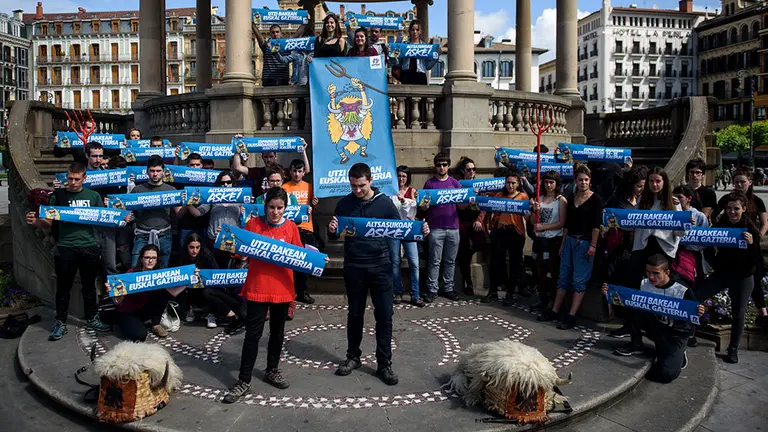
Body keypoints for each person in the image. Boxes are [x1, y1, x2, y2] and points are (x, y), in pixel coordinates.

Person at [328, 163, 429, 385]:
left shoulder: (384, 203)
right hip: (354, 267)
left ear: (370, 180)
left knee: (384, 317)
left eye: (361, 185)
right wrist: (332, 229)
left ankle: (384, 364)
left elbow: (401, 230)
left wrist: (420, 231)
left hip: (381, 267)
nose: (357, 190)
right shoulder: (344, 204)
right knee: (354, 315)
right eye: (353, 185)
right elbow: (334, 235)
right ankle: (353, 356)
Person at [223, 187, 306, 403]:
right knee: (253, 335)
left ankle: (272, 369)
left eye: (279, 208)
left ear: (285, 208)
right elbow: (240, 251)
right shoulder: (253, 224)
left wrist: (316, 260)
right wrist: (233, 246)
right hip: (258, 287)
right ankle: (244, 379)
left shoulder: (291, 228)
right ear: (265, 206)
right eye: (271, 207)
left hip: (282, 289)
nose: (275, 212)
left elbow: (301, 256)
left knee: (277, 333)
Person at [26, 162, 114, 340]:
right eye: (70, 178)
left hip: (89, 245)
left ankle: (91, 317)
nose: (72, 182)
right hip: (65, 247)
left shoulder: (93, 195)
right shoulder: (58, 196)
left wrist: (120, 216)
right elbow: (47, 223)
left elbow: (104, 219)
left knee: (89, 286)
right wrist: (36, 221)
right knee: (63, 287)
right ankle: (61, 321)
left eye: (76, 179)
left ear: (84, 178)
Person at [604, 254, 704, 383]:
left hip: (675, 334)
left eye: (656, 273)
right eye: (648, 272)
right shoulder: (643, 283)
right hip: (654, 326)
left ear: (666, 272)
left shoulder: (682, 290)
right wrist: (609, 292)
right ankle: (637, 343)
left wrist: (700, 313)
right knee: (632, 305)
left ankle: (677, 353)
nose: (651, 277)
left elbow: (700, 320)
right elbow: (623, 296)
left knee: (667, 374)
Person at [696, 192, 763, 363]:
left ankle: (733, 349)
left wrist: (751, 245)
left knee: (738, 313)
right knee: (696, 296)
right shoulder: (720, 225)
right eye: (729, 209)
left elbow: (757, 261)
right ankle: (695, 327)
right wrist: (717, 263)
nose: (732, 212)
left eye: (736, 209)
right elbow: (709, 250)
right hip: (723, 273)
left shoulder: (750, 229)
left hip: (743, 277)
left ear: (744, 209)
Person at [538, 164, 603, 330]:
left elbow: (596, 225)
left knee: (579, 280)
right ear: (575, 181)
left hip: (585, 242)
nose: (583, 183)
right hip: (569, 240)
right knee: (563, 276)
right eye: (580, 180)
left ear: (590, 181)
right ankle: (555, 309)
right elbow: (567, 224)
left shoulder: (596, 199)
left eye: (586, 180)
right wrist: (563, 243)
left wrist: (593, 245)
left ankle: (572, 315)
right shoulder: (572, 197)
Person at [711, 167, 768, 327]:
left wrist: (757, 238)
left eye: (742, 182)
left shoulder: (757, 200)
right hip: (730, 247)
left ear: (749, 182)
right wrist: (719, 233)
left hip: (749, 244)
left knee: (754, 275)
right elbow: (715, 215)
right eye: (736, 182)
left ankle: (762, 312)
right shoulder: (727, 199)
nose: (739, 185)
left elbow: (764, 222)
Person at [109, 244, 188, 341]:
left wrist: (189, 281)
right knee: (140, 336)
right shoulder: (131, 274)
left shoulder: (158, 274)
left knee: (163, 290)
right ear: (141, 259)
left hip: (144, 310)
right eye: (147, 257)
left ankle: (155, 324)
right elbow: (118, 302)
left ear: (157, 260)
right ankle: (121, 322)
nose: (150, 261)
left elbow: (173, 292)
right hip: (128, 312)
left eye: (153, 258)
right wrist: (117, 292)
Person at [603, 166, 646, 338]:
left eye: (643, 186)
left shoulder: (645, 202)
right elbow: (606, 218)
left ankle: (633, 324)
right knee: (618, 284)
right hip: (619, 249)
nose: (641, 189)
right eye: (639, 186)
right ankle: (625, 321)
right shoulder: (617, 199)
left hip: (637, 249)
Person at [476, 170, 530, 305]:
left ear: (518, 184)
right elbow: (488, 205)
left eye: (513, 183)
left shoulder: (523, 196)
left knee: (514, 263)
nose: (510, 186)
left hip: (516, 232)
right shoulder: (500, 195)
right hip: (500, 231)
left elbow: (527, 216)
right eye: (508, 183)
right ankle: (492, 291)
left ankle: (510, 293)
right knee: (495, 262)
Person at [420, 153, 462, 303]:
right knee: (434, 260)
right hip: (435, 227)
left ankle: (449, 288)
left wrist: (471, 197)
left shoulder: (455, 183)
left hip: (453, 227)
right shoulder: (429, 184)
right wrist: (424, 205)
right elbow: (423, 208)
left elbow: (462, 205)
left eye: (444, 164)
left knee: (450, 260)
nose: (442, 167)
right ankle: (432, 289)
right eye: (439, 165)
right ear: (435, 166)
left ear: (448, 166)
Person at [130, 155, 182, 268]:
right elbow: (128, 212)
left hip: (164, 234)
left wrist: (188, 203)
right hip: (142, 234)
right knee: (135, 267)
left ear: (163, 172)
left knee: (162, 269)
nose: (155, 174)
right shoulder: (137, 190)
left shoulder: (171, 190)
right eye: (152, 171)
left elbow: (179, 213)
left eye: (158, 171)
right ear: (147, 171)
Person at [186, 170, 244, 268]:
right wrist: (187, 203)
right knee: (216, 269)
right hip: (215, 239)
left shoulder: (241, 198)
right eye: (222, 183)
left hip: (234, 239)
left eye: (228, 182)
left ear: (233, 184)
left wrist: (245, 212)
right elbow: (198, 213)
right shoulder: (212, 197)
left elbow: (249, 217)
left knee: (233, 268)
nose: (225, 185)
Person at [282, 159, 320, 304]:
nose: (297, 174)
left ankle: (302, 291)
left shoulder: (310, 187)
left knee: (305, 261)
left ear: (304, 172)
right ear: (290, 171)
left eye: (299, 171)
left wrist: (314, 205)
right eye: (294, 171)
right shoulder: (285, 187)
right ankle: (291, 290)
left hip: (307, 227)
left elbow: (314, 207)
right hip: (290, 228)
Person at [530, 170, 567, 312]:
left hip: (553, 240)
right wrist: (534, 210)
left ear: (556, 183)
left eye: (551, 182)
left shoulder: (561, 200)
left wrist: (544, 227)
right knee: (540, 273)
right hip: (540, 240)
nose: (548, 185)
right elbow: (533, 222)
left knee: (553, 272)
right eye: (546, 182)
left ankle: (555, 302)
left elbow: (562, 222)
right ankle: (542, 299)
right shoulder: (538, 198)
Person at [231, 134, 309, 198]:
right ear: (262, 157)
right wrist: (238, 145)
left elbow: (306, 170)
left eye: (271, 156)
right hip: (262, 204)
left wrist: (303, 150)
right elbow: (237, 167)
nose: (268, 159)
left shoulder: (283, 171)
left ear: (276, 156)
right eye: (266, 157)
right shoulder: (257, 172)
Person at [389, 165, 422, 307]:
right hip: (394, 230)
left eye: (404, 176)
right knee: (395, 262)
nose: (401, 178)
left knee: (414, 262)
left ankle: (415, 294)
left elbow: (412, 214)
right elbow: (390, 211)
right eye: (399, 175)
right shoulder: (390, 191)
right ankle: (398, 291)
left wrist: (404, 202)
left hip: (409, 230)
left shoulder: (413, 191)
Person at [454, 157, 486, 296]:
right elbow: (459, 207)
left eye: (474, 169)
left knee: (482, 243)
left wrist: (479, 220)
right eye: (469, 169)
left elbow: (485, 204)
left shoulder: (480, 184)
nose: (472, 172)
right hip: (462, 221)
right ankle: (468, 282)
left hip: (476, 220)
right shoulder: (459, 185)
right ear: (463, 171)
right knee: (463, 252)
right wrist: (470, 196)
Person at [176, 152, 209, 250]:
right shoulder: (180, 183)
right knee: (183, 255)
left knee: (203, 254)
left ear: (202, 166)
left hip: (204, 225)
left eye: (197, 165)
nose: (195, 167)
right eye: (192, 165)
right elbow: (178, 214)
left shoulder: (208, 183)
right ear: (187, 166)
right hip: (186, 226)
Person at [392, 19, 437, 85]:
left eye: (417, 30)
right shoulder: (404, 45)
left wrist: (436, 57)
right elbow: (396, 54)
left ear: (420, 31)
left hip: (420, 75)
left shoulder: (425, 47)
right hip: (406, 74)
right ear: (409, 31)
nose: (415, 32)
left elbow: (428, 66)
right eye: (413, 30)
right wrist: (400, 33)